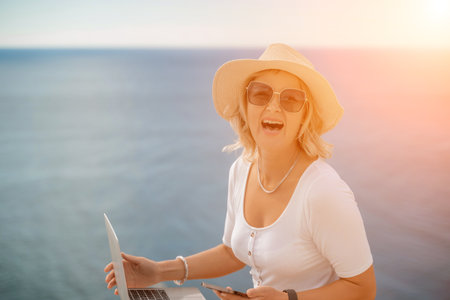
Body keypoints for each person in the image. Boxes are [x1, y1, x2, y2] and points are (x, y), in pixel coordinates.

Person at [104, 43, 376, 300]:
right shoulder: (242, 169)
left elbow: (363, 289)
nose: (272, 106)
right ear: (245, 106)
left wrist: (289, 298)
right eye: (260, 94)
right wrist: (159, 272)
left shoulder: (323, 192)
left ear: (305, 116)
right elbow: (235, 252)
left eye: (291, 99)